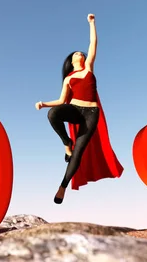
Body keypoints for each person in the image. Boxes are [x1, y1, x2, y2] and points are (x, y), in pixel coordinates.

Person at [35, 14, 124, 204]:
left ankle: (62, 186)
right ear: (71, 60)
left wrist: (92, 23)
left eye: (81, 53)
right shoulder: (68, 78)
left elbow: (93, 43)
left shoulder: (89, 68)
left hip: (91, 114)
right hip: (74, 109)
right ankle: (66, 142)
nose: (80, 54)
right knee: (53, 114)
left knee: (79, 152)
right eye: (76, 53)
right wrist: (44, 104)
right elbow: (61, 100)